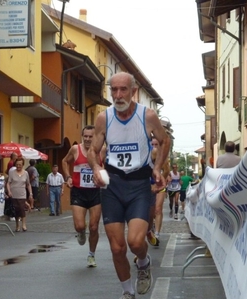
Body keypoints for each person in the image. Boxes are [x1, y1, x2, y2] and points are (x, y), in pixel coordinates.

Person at [87, 72, 170, 299]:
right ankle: (127, 292)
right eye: (114, 90)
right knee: (117, 247)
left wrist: (157, 167)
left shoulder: (147, 115)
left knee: (135, 241)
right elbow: (93, 150)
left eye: (123, 89)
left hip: (139, 184)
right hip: (112, 186)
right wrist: (96, 168)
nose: (118, 95)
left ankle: (143, 263)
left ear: (133, 91)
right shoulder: (104, 118)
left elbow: (164, 141)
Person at [62, 125, 103, 268]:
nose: (87, 139)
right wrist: (67, 177)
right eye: (85, 136)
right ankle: (80, 232)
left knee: (93, 226)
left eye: (90, 136)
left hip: (95, 192)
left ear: (95, 138)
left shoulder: (101, 151)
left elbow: (108, 166)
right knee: (80, 226)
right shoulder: (75, 149)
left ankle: (91, 255)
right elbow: (64, 161)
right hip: (78, 191)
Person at [6, 157, 33, 232]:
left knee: (22, 209)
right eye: (17, 164)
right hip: (14, 194)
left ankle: (24, 224)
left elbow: (28, 184)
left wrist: (30, 193)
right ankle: (17, 225)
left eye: (20, 165)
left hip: (22, 194)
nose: (18, 166)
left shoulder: (26, 173)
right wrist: (9, 191)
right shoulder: (12, 172)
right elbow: (8, 183)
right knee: (16, 210)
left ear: (23, 165)